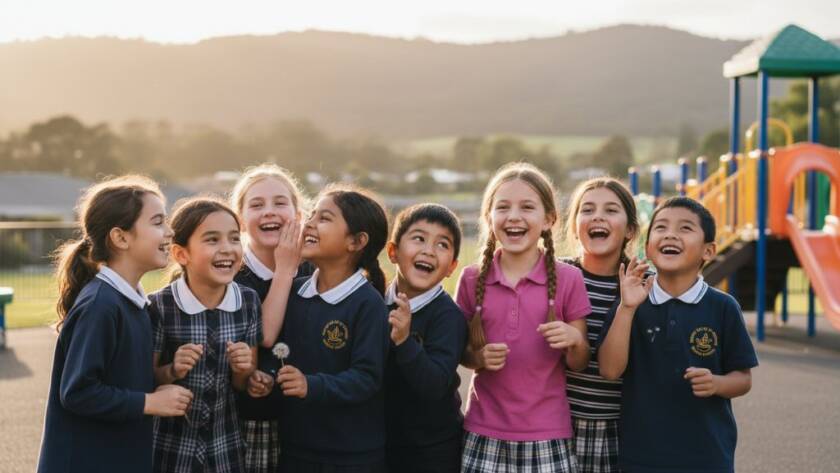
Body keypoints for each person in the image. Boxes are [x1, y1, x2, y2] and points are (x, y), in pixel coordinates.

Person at [38, 176, 192, 473]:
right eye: (158, 221)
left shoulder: (133, 303)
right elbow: (78, 392)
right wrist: (149, 402)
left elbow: (121, 378)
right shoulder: (101, 306)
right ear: (121, 238)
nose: (170, 231)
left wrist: (167, 373)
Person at [599, 196, 758, 473]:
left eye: (685, 228)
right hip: (640, 458)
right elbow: (610, 370)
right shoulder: (630, 300)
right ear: (648, 247)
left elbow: (743, 379)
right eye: (660, 227)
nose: (670, 234)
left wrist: (717, 384)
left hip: (707, 457)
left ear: (708, 251)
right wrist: (626, 308)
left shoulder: (723, 307)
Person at [457, 163, 591, 473]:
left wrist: (574, 340)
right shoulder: (470, 279)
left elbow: (580, 360)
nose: (514, 216)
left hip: (548, 433)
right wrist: (477, 356)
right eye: (502, 207)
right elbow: (460, 352)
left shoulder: (569, 279)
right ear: (489, 218)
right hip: (483, 430)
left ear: (548, 220)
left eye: (527, 207)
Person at [149, 197, 260, 473]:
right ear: (181, 254)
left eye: (235, 239)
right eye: (212, 240)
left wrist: (244, 368)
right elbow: (147, 379)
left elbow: (241, 384)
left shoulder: (248, 301)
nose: (227, 249)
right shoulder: (159, 306)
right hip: (171, 448)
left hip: (226, 445)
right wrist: (173, 369)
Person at [562, 177, 639, 472]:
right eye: (587, 209)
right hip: (557, 422)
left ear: (630, 229)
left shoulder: (641, 284)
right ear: (575, 225)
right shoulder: (556, 274)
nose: (597, 216)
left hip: (618, 426)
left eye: (610, 210)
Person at [383, 203, 467, 473]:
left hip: (432, 452)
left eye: (442, 245)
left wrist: (405, 342)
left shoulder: (448, 316)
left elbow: (433, 385)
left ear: (452, 267)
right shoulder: (371, 301)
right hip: (379, 445)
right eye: (418, 238)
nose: (429, 251)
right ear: (393, 252)